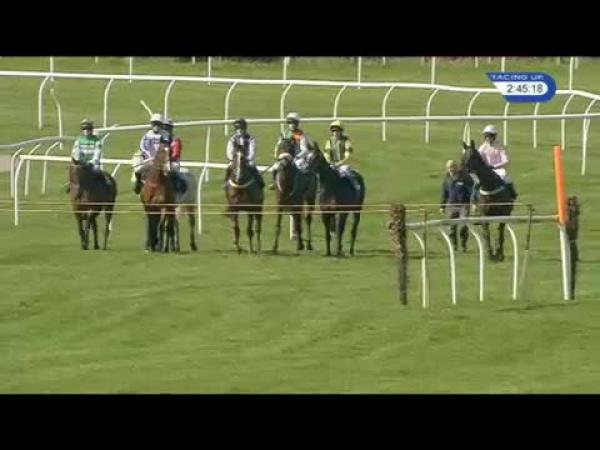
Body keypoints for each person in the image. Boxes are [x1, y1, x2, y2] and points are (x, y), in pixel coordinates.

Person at [269, 112, 313, 190]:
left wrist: (297, 157)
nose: (291, 124)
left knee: (301, 168)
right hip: (285, 157)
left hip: (297, 157)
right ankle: (275, 183)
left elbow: (305, 150)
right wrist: (276, 155)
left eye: (293, 122)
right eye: (289, 122)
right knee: (274, 168)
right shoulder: (284, 133)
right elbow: (278, 145)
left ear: (297, 123)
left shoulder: (301, 135)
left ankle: (305, 185)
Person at [66, 118, 112, 193]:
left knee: (98, 174)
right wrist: (79, 161)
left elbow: (97, 153)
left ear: (91, 130)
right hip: (81, 163)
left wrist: (91, 162)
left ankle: (105, 188)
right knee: (75, 173)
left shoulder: (97, 140)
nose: (86, 131)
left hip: (93, 164)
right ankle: (70, 185)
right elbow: (76, 152)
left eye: (88, 129)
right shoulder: (78, 140)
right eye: (84, 129)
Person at [440, 159, 473, 252]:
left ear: (456, 167)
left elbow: (471, 190)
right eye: (449, 167)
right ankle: (454, 246)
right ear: (447, 168)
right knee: (452, 227)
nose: (451, 169)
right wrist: (442, 206)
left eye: (453, 166)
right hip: (452, 205)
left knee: (463, 226)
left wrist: (471, 201)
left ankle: (463, 245)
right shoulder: (446, 180)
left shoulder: (465, 177)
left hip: (464, 205)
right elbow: (444, 194)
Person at [477, 124, 518, 200]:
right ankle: (474, 199)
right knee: (477, 181)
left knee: (507, 179)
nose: (487, 138)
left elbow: (506, 160)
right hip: (487, 171)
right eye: (486, 136)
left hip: (499, 170)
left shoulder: (500, 146)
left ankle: (512, 195)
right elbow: (479, 158)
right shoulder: (482, 147)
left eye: (489, 136)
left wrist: (495, 166)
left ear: (493, 136)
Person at [224, 118, 264, 188]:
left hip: (247, 160)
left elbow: (252, 151)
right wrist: (232, 158)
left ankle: (260, 182)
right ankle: (226, 182)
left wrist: (248, 158)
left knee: (253, 167)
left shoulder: (250, 138)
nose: (239, 130)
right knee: (228, 167)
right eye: (237, 129)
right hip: (235, 159)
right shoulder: (232, 139)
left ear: (245, 128)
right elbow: (229, 150)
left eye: (241, 129)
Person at [132, 113, 166, 194]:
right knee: (138, 170)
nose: (156, 126)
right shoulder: (147, 135)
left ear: (161, 124)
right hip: (149, 158)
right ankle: (138, 184)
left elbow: (166, 147)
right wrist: (150, 158)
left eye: (158, 124)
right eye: (154, 123)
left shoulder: (165, 135)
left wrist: (159, 157)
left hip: (162, 160)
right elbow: (143, 147)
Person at [323, 120, 361, 191]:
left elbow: (348, 155)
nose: (335, 133)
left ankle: (355, 186)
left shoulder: (346, 141)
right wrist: (329, 162)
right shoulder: (329, 141)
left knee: (345, 172)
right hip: (332, 164)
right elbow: (326, 154)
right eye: (333, 131)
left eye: (337, 131)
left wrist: (340, 163)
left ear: (341, 131)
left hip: (344, 164)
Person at [162, 117, 187, 193]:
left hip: (173, 162)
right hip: (160, 162)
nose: (166, 129)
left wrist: (166, 160)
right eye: (164, 127)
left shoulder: (176, 140)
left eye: (167, 127)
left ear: (171, 128)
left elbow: (176, 155)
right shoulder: (159, 139)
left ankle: (178, 188)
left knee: (169, 171)